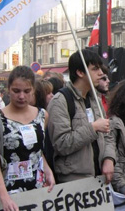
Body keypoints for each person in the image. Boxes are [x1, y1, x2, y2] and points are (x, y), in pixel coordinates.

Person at [0, 66, 55, 211]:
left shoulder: (42, 115)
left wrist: (47, 170)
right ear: (8, 90)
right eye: (16, 91)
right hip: (8, 190)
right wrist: (5, 197)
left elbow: (37, 149)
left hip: (37, 187)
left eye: (27, 91)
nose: (21, 96)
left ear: (33, 90)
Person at [47, 49, 116, 183]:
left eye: (100, 68)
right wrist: (93, 128)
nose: (101, 73)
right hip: (74, 180)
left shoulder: (95, 99)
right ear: (80, 72)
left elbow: (109, 135)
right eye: (95, 69)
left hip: (100, 177)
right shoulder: (60, 101)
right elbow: (62, 144)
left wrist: (109, 158)